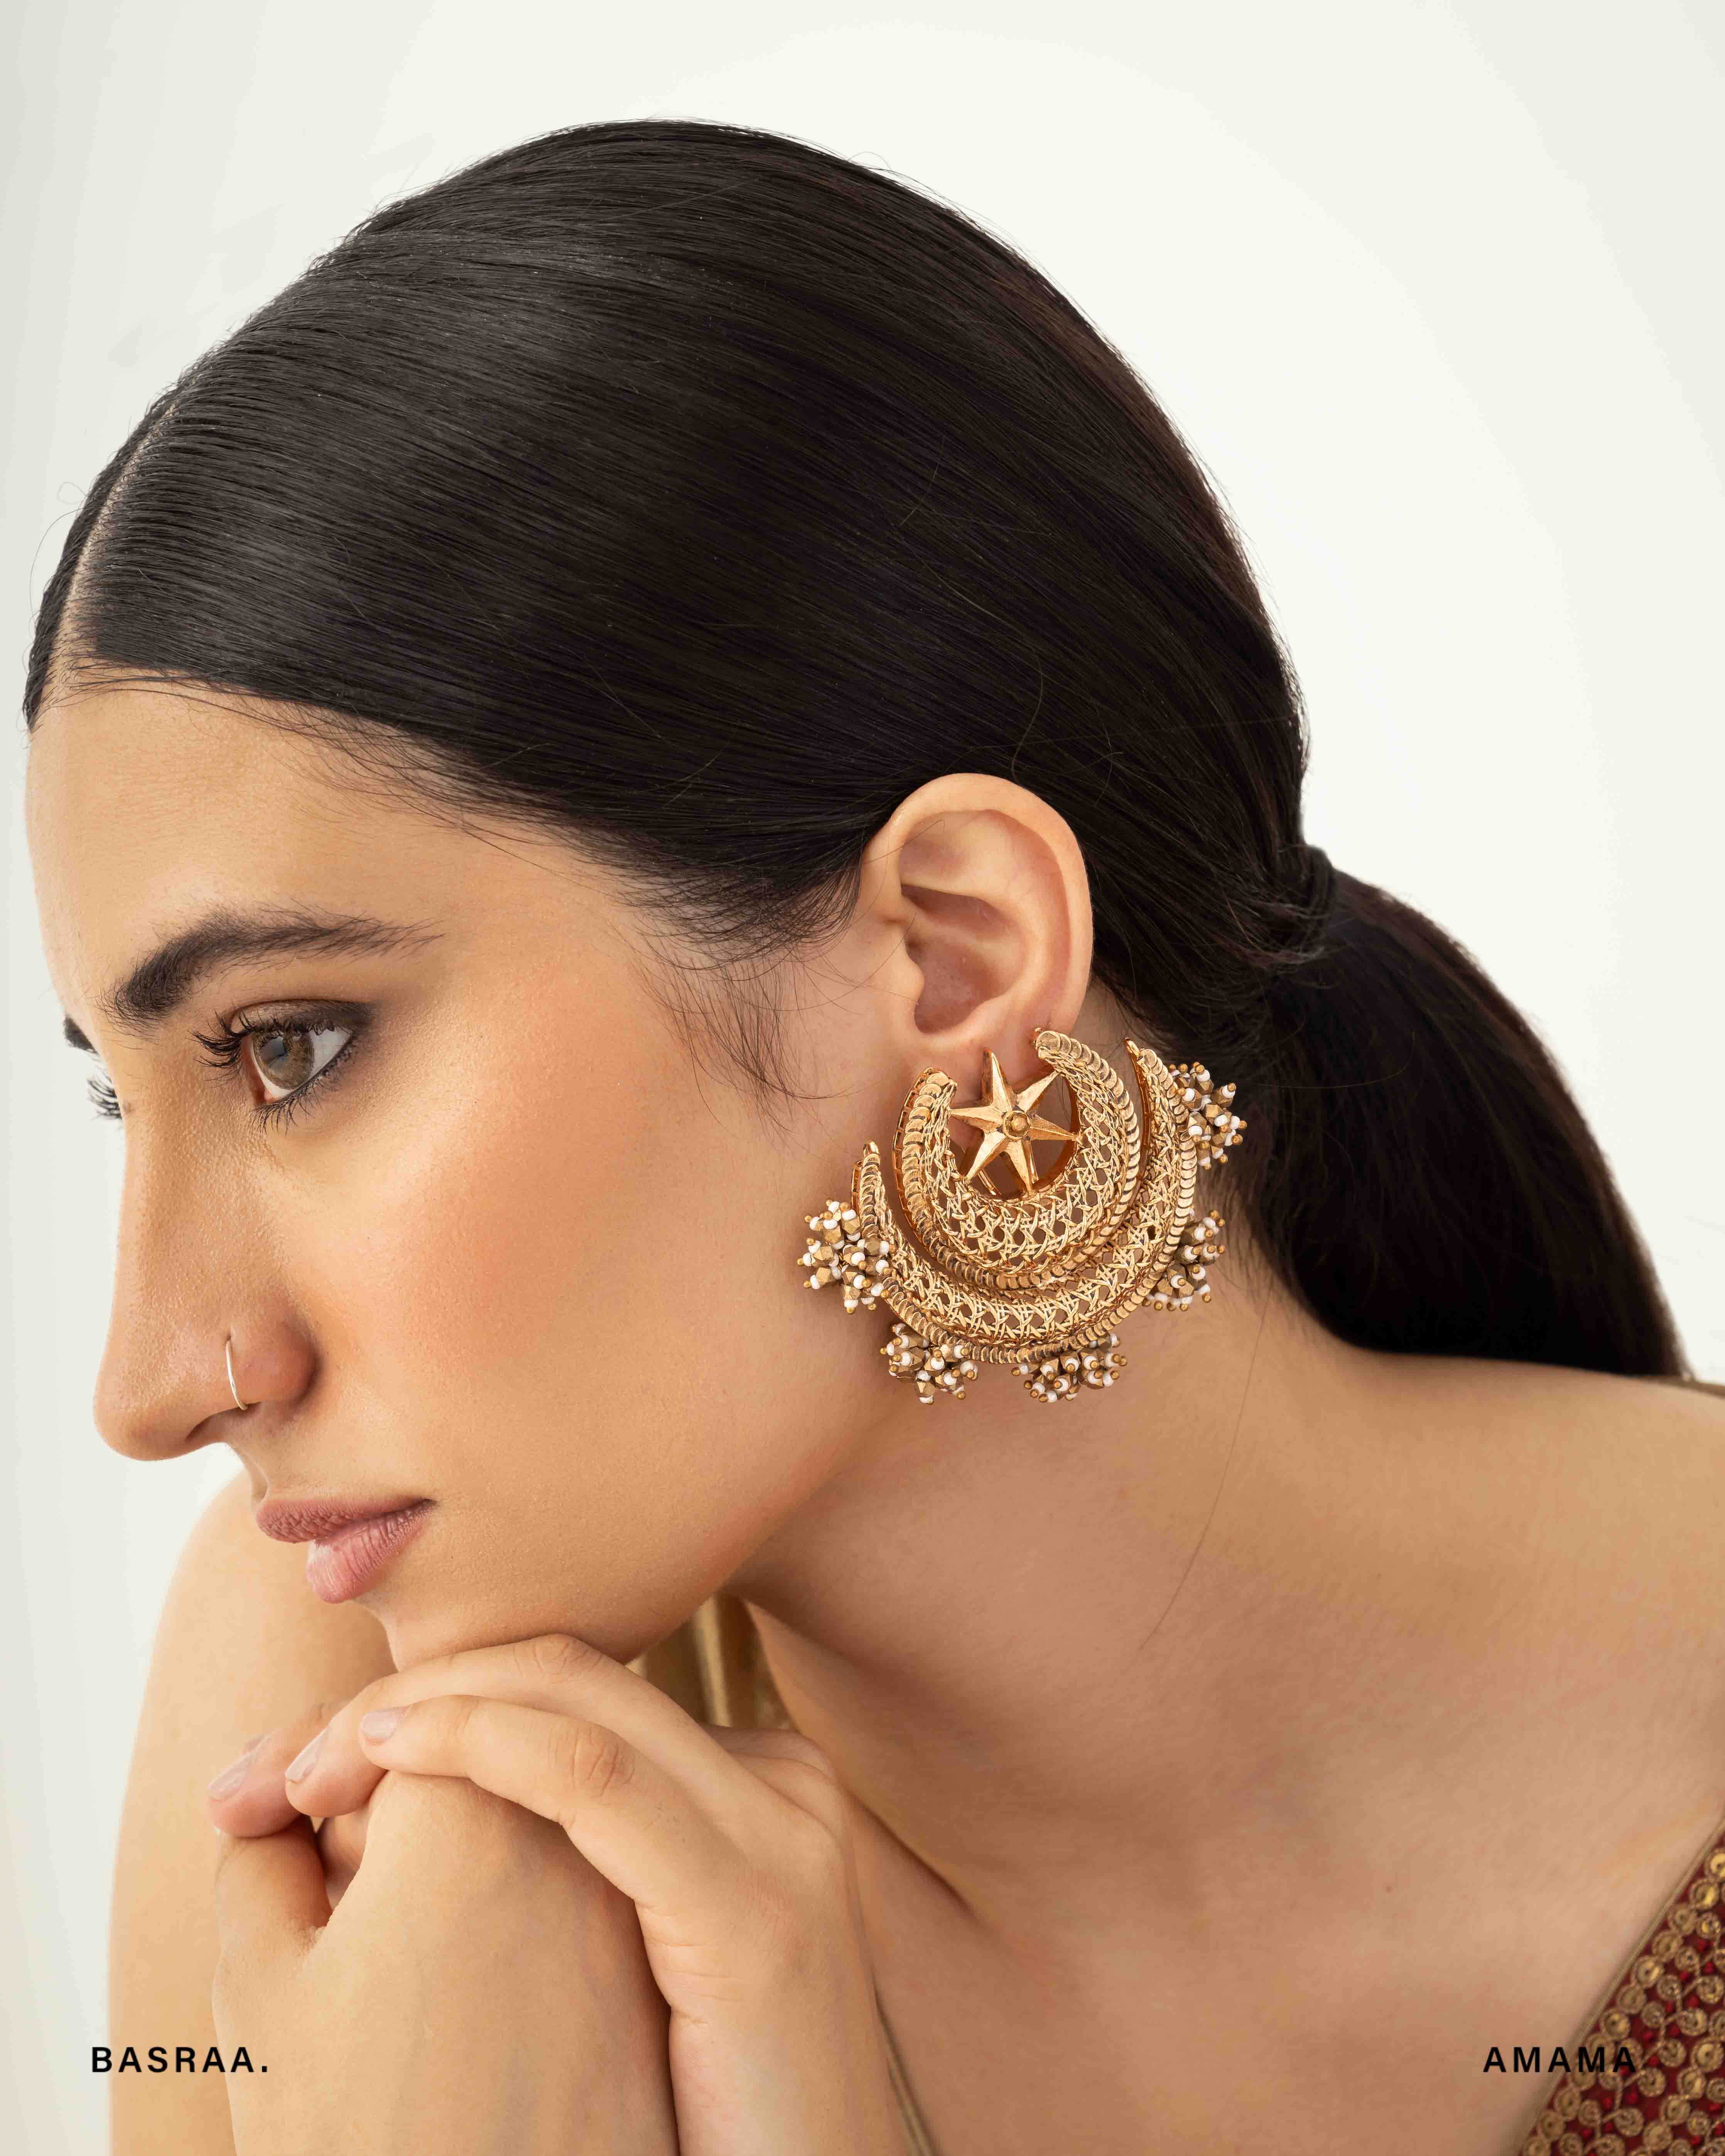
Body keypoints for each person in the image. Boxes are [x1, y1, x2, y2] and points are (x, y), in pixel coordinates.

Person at [23, 117, 1725, 2156]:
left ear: (952, 951)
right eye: (123, 1096)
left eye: (290, 1046)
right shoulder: (354, 1764)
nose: (151, 1384)